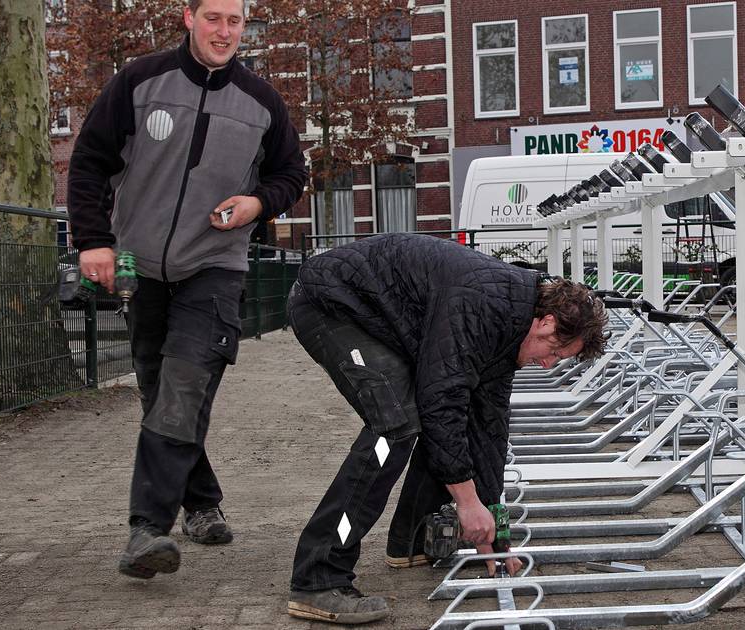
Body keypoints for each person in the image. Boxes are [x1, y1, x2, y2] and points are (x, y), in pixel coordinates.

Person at [67, 0, 308, 579]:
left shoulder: (262, 103)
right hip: (134, 261)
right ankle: (200, 503)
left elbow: (291, 175)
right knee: (158, 389)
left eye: (236, 21)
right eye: (214, 18)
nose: (225, 32)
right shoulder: (139, 81)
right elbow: (89, 162)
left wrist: (257, 203)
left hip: (216, 265)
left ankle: (146, 530)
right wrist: (94, 241)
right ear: (188, 17)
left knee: (185, 382)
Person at [285, 233, 608, 624]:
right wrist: (467, 504)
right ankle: (318, 577)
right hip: (329, 303)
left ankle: (412, 544)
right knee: (397, 423)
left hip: (372, 315)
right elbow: (443, 403)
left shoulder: (509, 328)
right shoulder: (483, 307)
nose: (548, 364)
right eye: (555, 351)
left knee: (438, 415)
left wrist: (493, 532)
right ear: (546, 321)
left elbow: (486, 427)